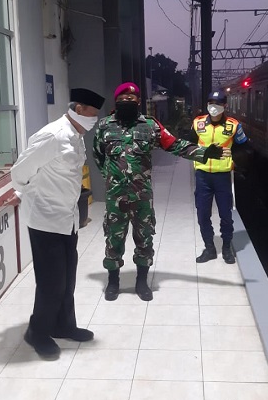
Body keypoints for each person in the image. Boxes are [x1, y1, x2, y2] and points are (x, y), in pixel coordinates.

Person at [93, 82, 225, 301]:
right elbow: (98, 155)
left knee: (144, 237)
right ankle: (113, 281)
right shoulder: (104, 126)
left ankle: (142, 281)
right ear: (116, 101)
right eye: (124, 99)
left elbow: (175, 145)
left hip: (142, 196)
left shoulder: (150, 126)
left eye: (133, 99)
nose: (128, 101)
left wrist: (203, 153)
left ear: (138, 102)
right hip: (115, 195)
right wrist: (110, 176)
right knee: (113, 238)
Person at [10, 87, 105, 358]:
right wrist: (32, 195)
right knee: (51, 282)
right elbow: (20, 172)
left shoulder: (76, 136)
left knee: (67, 279)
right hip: (45, 220)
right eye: (92, 114)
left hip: (67, 220)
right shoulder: (52, 135)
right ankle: (37, 332)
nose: (94, 120)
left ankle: (64, 325)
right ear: (77, 109)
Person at [192, 91, 249, 264]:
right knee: (203, 215)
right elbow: (188, 145)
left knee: (226, 215)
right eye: (210, 102)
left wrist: (235, 161)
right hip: (202, 176)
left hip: (223, 176)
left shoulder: (233, 126)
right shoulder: (198, 123)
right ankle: (209, 248)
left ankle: (226, 248)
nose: (213, 107)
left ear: (225, 105)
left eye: (217, 103)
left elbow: (244, 147)